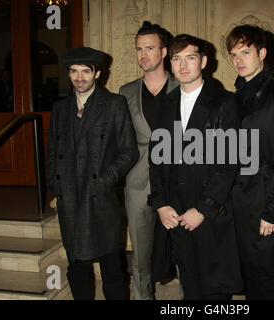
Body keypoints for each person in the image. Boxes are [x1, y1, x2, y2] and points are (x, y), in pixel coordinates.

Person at [148, 34, 243, 299]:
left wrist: (202, 209)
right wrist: (161, 203)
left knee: (214, 288)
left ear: (203, 61)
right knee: (188, 284)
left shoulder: (224, 102)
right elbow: (155, 160)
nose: (183, 65)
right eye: (176, 59)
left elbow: (229, 164)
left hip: (209, 212)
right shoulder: (165, 104)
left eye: (190, 58)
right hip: (174, 212)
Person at [46, 46, 139, 300]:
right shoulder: (60, 108)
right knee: (76, 265)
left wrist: (105, 181)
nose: (79, 77)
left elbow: (129, 151)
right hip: (70, 199)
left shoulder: (113, 104)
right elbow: (52, 151)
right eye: (74, 72)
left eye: (85, 71)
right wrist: (56, 183)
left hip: (100, 197)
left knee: (112, 266)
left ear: (97, 73)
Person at [225, 25, 274, 300]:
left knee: (265, 280)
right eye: (233, 54)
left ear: (263, 53)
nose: (239, 60)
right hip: (236, 203)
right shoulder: (234, 97)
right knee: (246, 278)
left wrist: (273, 210)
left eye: (245, 52)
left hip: (264, 200)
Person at [119, 21, 178, 300]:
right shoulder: (125, 92)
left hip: (178, 182)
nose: (143, 55)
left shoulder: (185, 85)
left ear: (164, 51)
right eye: (139, 49)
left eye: (150, 48)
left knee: (186, 253)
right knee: (140, 256)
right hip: (139, 182)